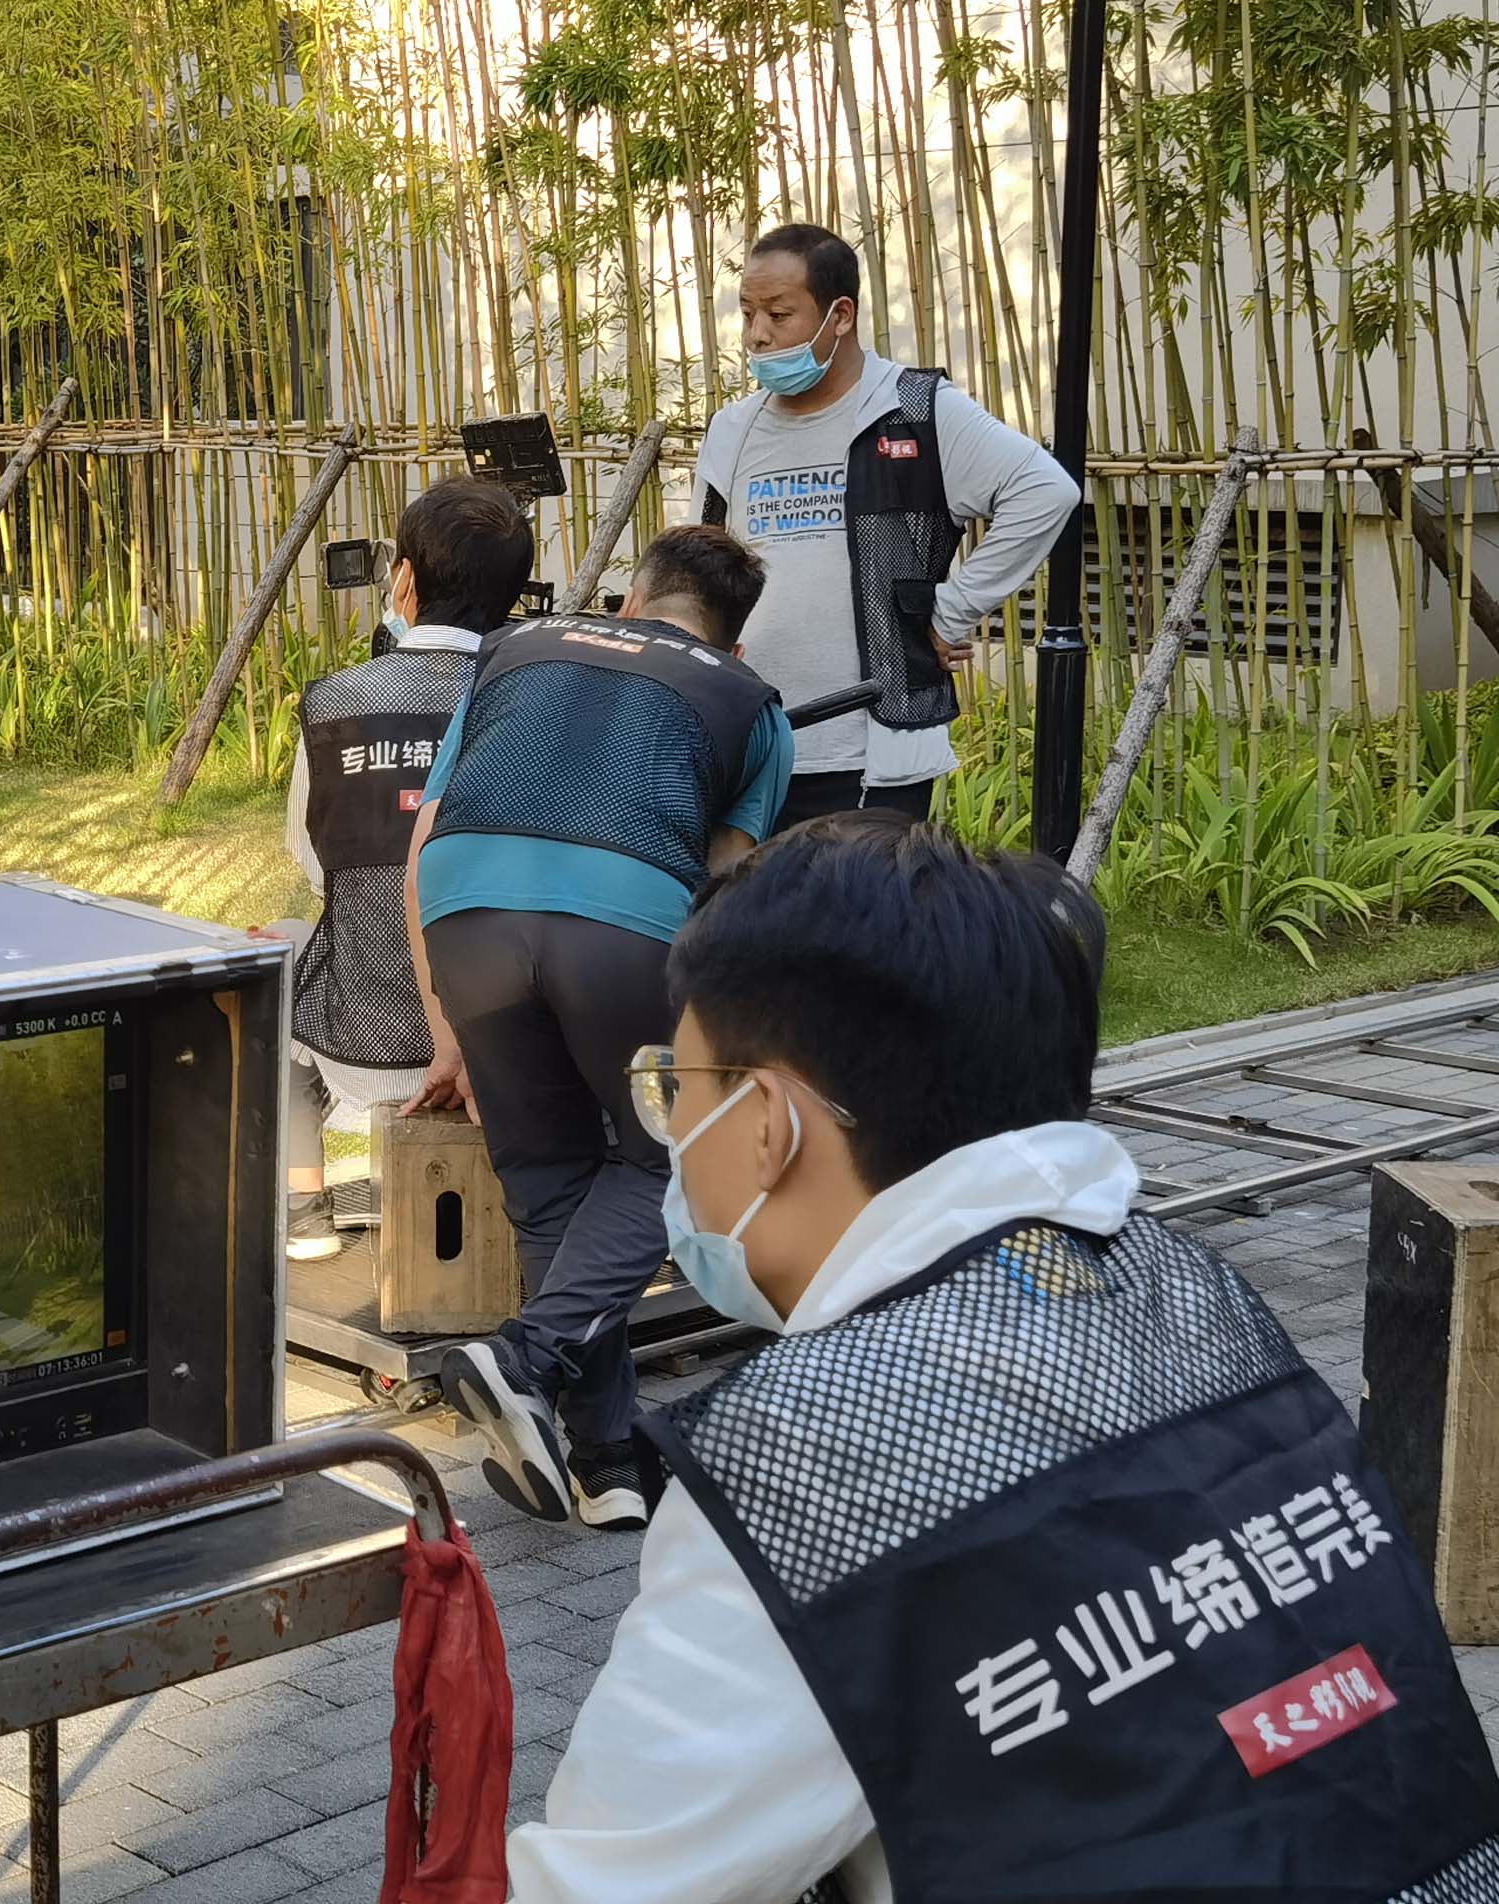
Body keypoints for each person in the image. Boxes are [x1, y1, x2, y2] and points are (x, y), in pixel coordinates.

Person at [504, 813, 1499, 1902]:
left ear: (766, 1123)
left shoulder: (809, 1461)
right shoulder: (1194, 1293)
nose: (671, 1129)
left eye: (679, 1087)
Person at [408, 522, 791, 1530]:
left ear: (629, 600)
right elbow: (722, 884)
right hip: (621, 928)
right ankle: (526, 1357)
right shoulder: (746, 699)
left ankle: (603, 1459)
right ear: (734, 638)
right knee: (673, 1152)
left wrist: (441, 1020)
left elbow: (427, 830)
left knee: (549, 1184)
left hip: (463, 910)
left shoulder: (513, 651)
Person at [695, 222, 1080, 830]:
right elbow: (702, 565)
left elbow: (1046, 491)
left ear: (840, 315)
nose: (757, 334)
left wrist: (949, 611)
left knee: (859, 895)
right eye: (747, 314)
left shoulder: (915, 410)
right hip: (750, 742)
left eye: (779, 314)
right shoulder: (732, 429)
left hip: (870, 750)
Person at [279, 479, 528, 1260]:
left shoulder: (332, 705)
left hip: (365, 1038)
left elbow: (317, 871)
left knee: (279, 951)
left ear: (404, 580)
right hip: (506, 1039)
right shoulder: (532, 701)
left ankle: (304, 1210)